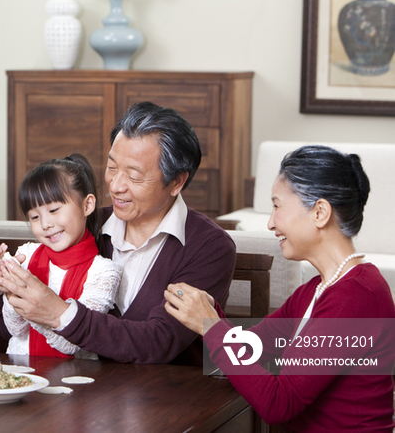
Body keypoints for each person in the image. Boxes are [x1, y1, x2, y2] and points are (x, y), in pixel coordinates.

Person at [0, 102, 236, 364]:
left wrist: (60, 314)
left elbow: (160, 341)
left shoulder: (209, 247)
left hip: (168, 397)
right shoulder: (83, 225)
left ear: (177, 182)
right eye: (112, 167)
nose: (115, 186)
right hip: (81, 391)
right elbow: (17, 332)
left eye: (134, 176)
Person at [165, 145, 395, 432]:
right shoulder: (316, 291)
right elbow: (251, 348)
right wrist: (210, 315)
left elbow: (278, 404)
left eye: (277, 206)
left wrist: (211, 325)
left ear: (320, 212)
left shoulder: (359, 296)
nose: (271, 222)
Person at [0, 154, 120, 358]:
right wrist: (7, 282)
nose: (46, 224)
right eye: (35, 216)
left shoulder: (104, 272)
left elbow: (70, 344)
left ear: (87, 205)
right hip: (20, 372)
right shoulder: (27, 254)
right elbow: (16, 330)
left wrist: (32, 298)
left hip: (75, 381)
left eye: (54, 209)